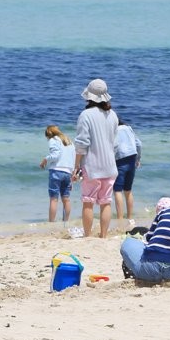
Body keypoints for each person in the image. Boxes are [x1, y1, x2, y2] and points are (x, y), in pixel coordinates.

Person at [73, 79, 119, 238]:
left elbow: (82, 143)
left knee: (88, 202)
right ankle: (103, 235)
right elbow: (114, 142)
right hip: (110, 166)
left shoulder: (85, 115)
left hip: (92, 167)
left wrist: (76, 165)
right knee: (106, 202)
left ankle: (87, 235)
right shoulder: (112, 115)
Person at [40, 125, 76, 223]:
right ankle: (65, 222)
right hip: (68, 172)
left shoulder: (53, 140)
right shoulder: (69, 141)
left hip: (56, 171)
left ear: (48, 135)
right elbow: (73, 159)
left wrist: (45, 159)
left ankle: (51, 223)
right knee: (66, 199)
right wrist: (72, 175)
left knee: (54, 199)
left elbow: (56, 155)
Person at [113, 118, 142, 224]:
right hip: (132, 158)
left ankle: (120, 219)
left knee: (117, 190)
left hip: (120, 159)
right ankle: (130, 218)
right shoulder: (128, 128)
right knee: (128, 190)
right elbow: (139, 144)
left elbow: (114, 146)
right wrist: (138, 159)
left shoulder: (114, 130)